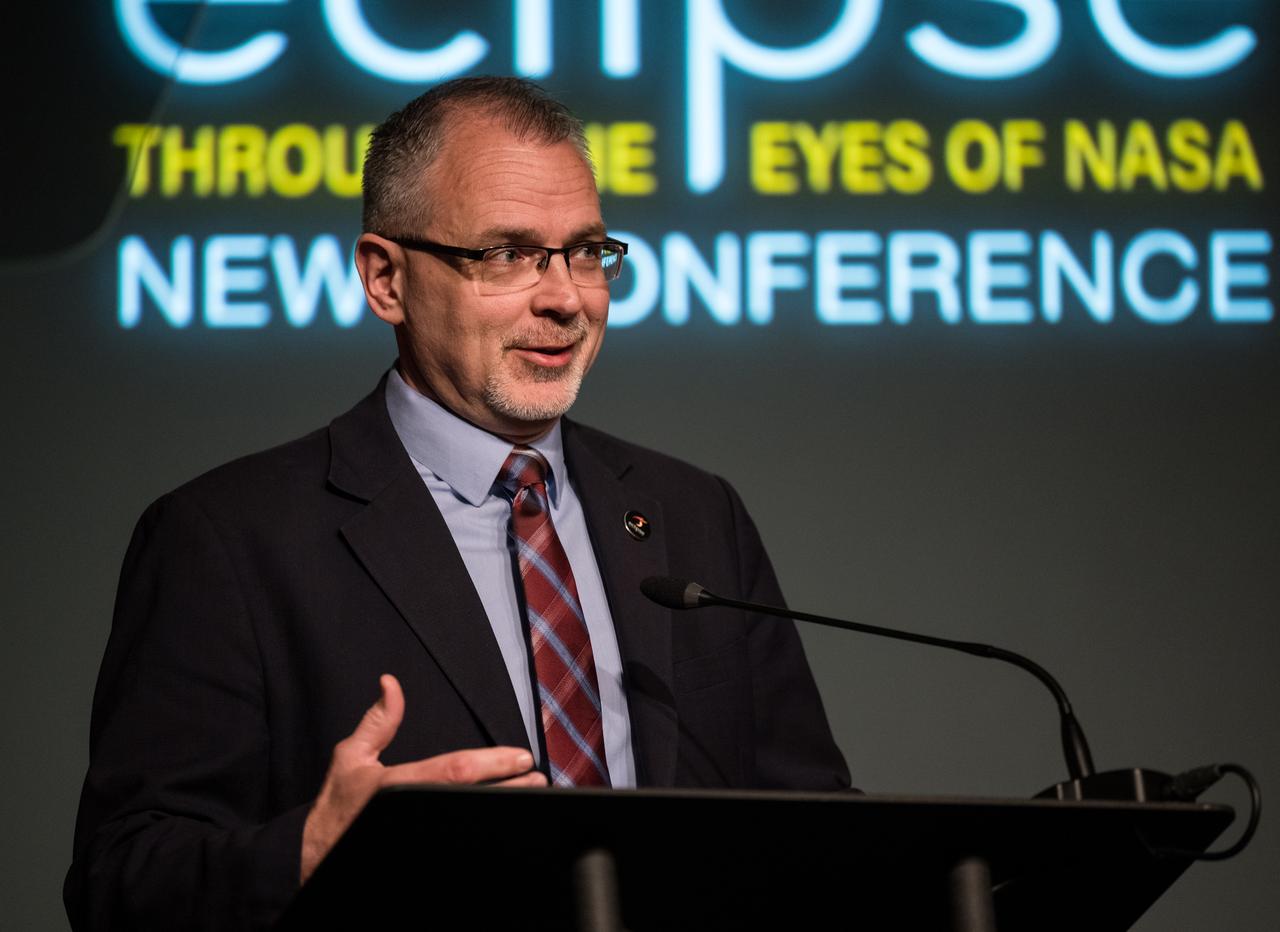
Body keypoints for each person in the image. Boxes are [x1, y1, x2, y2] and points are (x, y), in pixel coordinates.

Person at [66, 76, 849, 930]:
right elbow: (122, 878)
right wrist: (310, 851)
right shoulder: (229, 540)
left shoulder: (695, 514)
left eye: (586, 252)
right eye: (507, 254)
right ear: (386, 280)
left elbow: (816, 825)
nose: (565, 297)